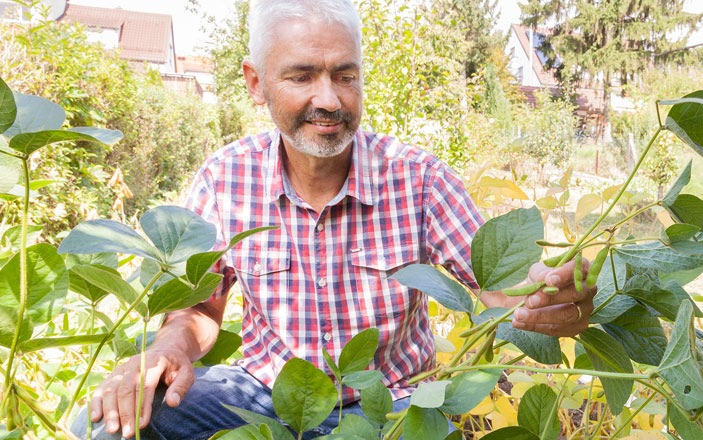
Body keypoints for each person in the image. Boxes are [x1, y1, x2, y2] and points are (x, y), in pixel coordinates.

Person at [73, 0, 595, 438]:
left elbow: (501, 291)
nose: (329, 99)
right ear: (256, 83)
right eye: (302, 75)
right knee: (110, 422)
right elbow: (201, 311)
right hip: (263, 396)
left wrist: (547, 296)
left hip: (391, 407)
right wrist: (169, 347)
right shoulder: (224, 179)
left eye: (344, 76)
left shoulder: (419, 179)